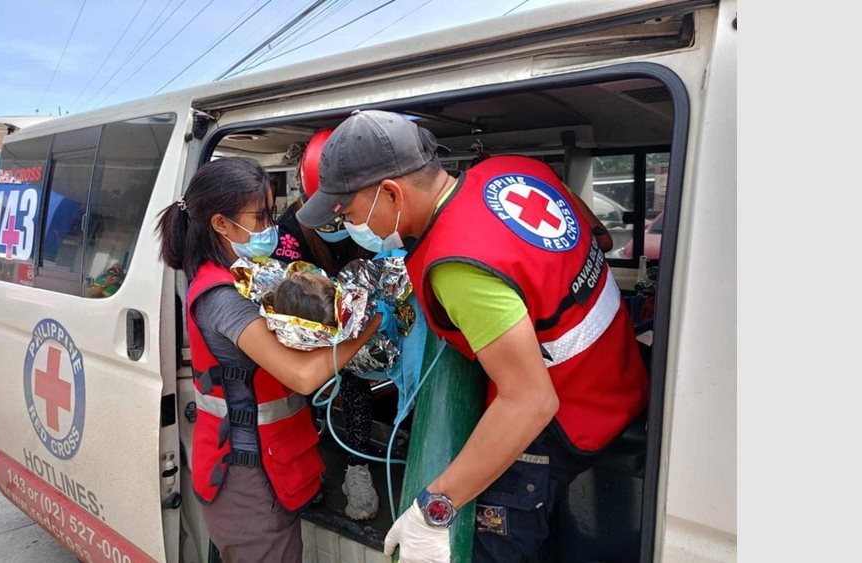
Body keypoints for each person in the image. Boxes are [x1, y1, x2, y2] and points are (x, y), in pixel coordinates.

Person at [296, 110, 649, 563]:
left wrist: (434, 508)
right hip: (624, 378)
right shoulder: (514, 170)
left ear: (389, 193)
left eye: (348, 210)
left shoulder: (457, 263)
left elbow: (530, 402)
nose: (346, 222)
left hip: (569, 419)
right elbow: (597, 240)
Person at [156, 156, 381, 563]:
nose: (270, 229)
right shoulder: (221, 296)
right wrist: (369, 324)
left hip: (274, 463)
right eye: (259, 218)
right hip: (246, 476)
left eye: (272, 214)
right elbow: (302, 376)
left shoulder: (251, 274)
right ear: (221, 224)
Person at [272, 129, 382, 522]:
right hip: (309, 323)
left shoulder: (371, 218)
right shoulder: (291, 229)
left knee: (354, 385)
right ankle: (309, 470)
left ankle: (357, 468)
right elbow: (289, 291)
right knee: (304, 397)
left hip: (359, 325)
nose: (342, 219)